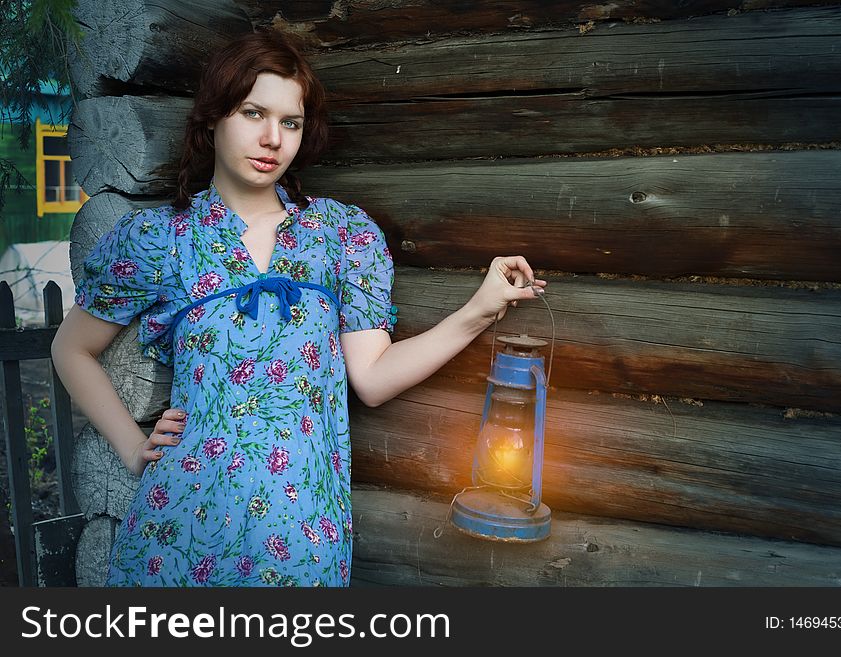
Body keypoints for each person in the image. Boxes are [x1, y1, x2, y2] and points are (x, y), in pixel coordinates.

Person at [51, 30, 546, 587]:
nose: (272, 139)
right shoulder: (160, 238)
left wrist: (479, 309)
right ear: (212, 117)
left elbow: (374, 378)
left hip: (299, 535)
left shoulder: (340, 235)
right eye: (252, 113)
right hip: (178, 529)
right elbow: (70, 349)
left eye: (290, 122)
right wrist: (133, 446)